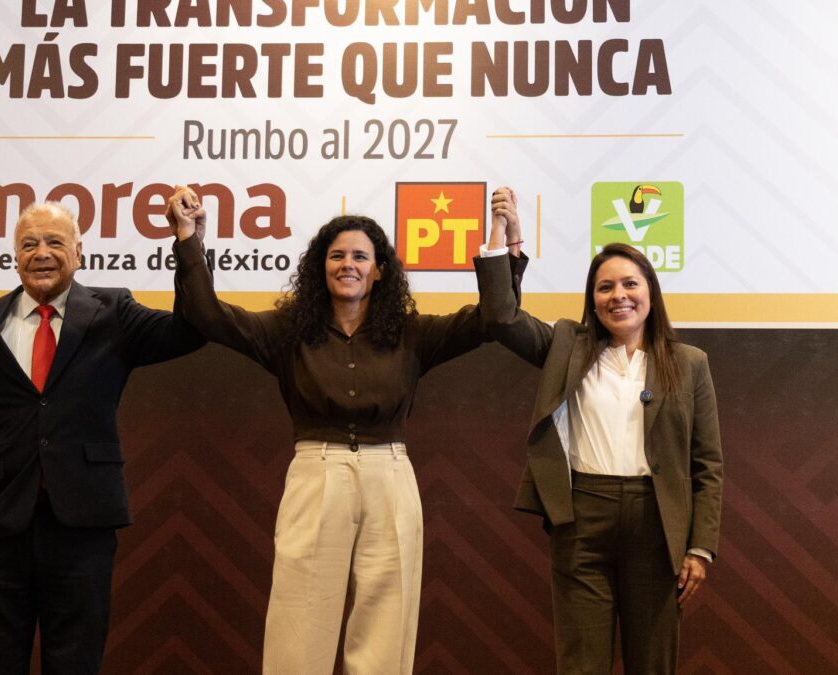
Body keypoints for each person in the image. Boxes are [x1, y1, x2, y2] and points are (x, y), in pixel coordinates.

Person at [165, 186, 515, 674]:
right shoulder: (287, 331)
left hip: (391, 476)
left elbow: (493, 319)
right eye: (336, 256)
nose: (348, 264)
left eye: (360, 256)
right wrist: (189, 238)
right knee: (300, 619)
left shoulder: (412, 333)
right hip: (317, 473)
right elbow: (208, 316)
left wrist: (502, 245)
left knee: (387, 622)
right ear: (321, 268)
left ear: (380, 270)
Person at [0, 202, 204, 674]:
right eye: (29, 244)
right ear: (14, 256)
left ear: (79, 252)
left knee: (75, 664)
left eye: (55, 242)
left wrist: (188, 244)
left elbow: (190, 330)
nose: (41, 253)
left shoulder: (113, 312)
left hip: (82, 527)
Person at [473, 187, 724, 674]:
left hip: (658, 524)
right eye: (605, 287)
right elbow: (501, 317)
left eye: (630, 284)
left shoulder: (690, 363)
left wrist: (700, 546)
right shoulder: (567, 345)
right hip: (582, 519)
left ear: (650, 292)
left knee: (653, 662)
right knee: (581, 664)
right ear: (592, 298)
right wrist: (505, 238)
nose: (618, 296)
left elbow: (707, 463)